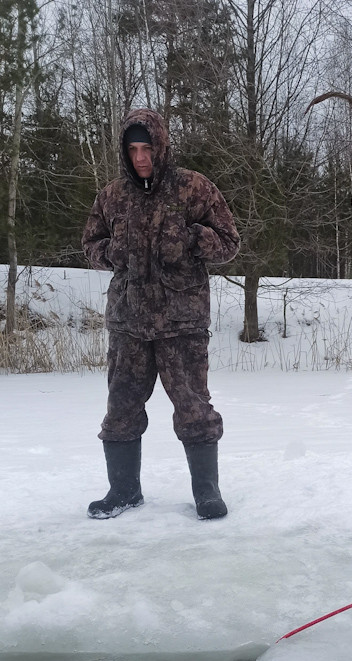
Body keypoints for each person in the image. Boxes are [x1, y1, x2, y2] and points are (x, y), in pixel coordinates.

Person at [82, 108, 240, 521]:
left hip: (181, 322)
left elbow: (229, 243)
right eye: (132, 149)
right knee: (121, 408)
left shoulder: (194, 188)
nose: (140, 157)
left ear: (161, 145)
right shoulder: (111, 196)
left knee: (194, 408)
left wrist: (191, 237)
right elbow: (90, 246)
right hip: (128, 322)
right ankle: (123, 491)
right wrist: (111, 251)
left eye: (146, 147)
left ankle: (206, 493)